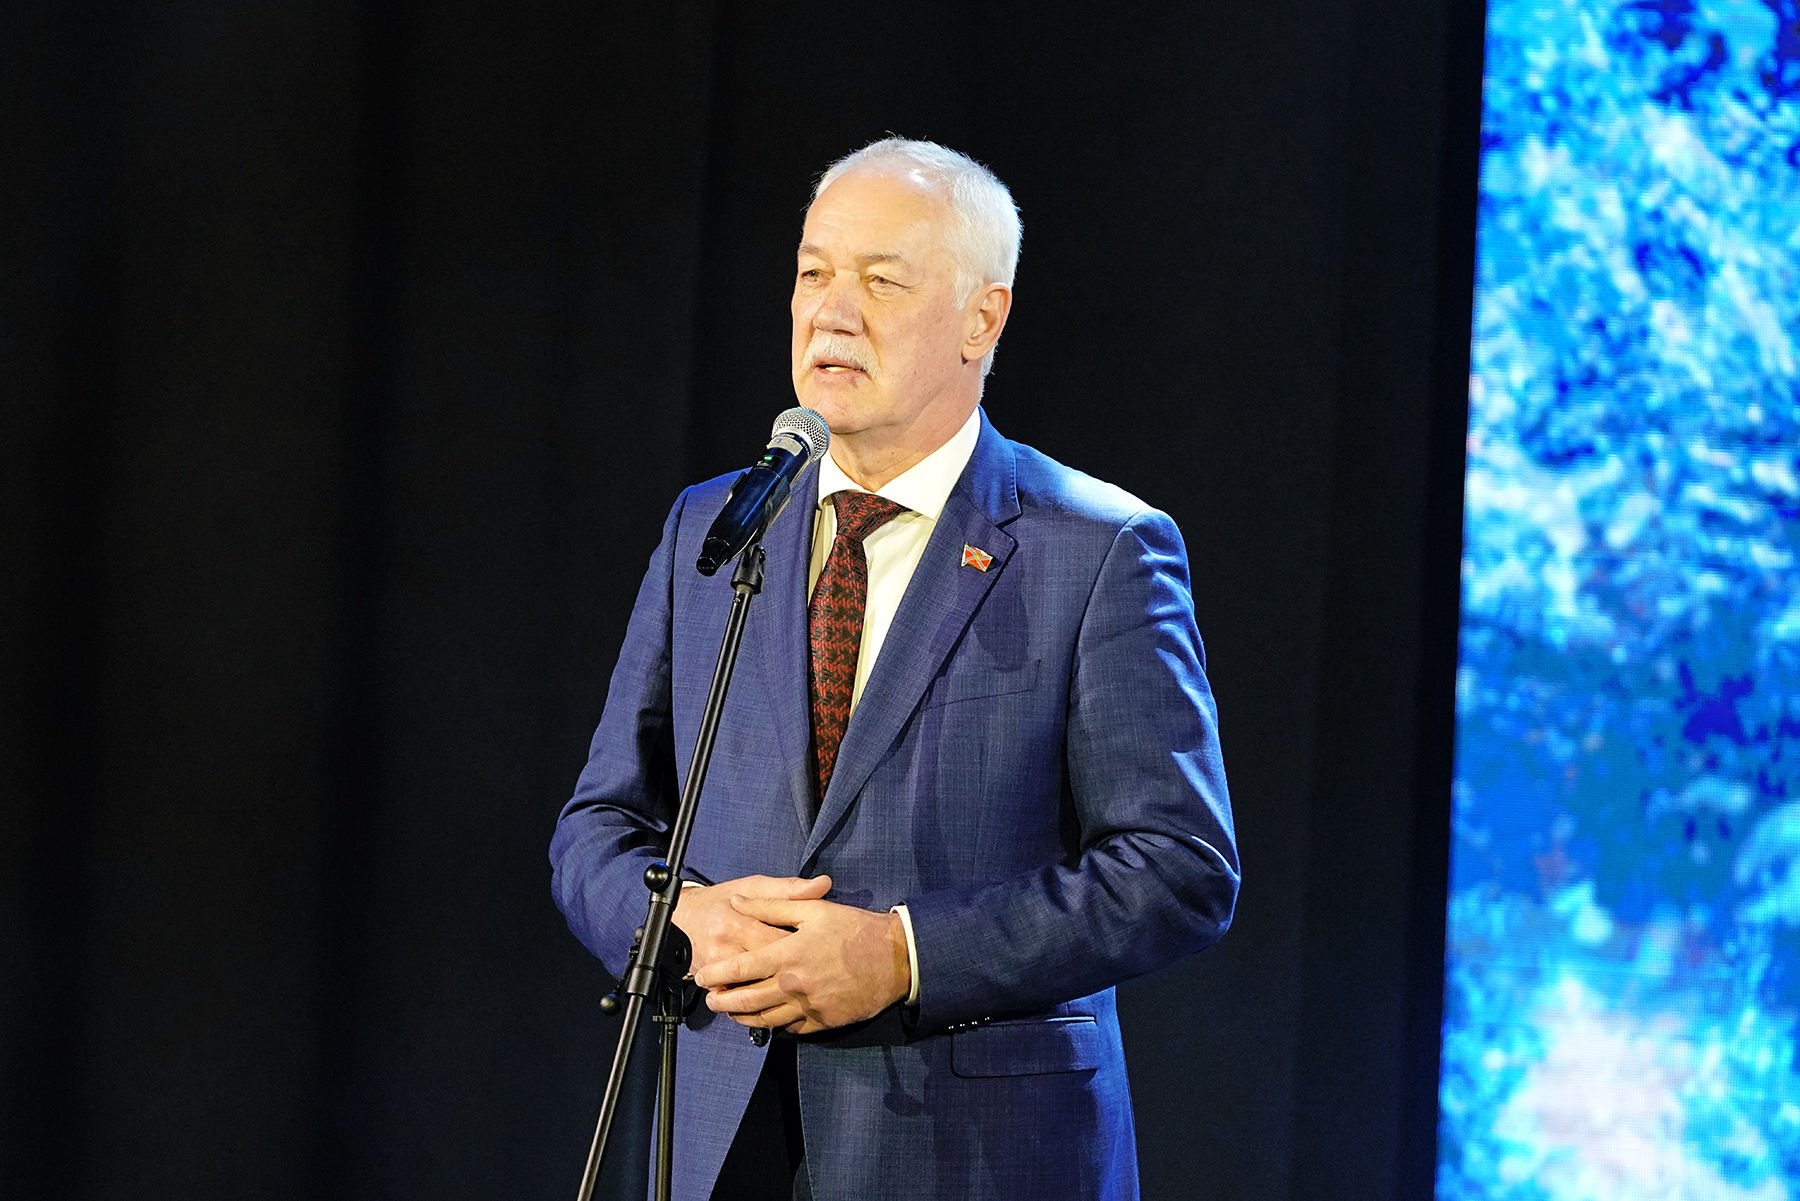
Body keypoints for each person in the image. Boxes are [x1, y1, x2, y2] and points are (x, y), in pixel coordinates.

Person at [550, 138, 1238, 1201]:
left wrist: (905, 955)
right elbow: (599, 824)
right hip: (721, 1132)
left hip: (976, 1153)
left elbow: (1177, 867)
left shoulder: (1098, 549)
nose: (831, 312)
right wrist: (680, 921)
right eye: (813, 272)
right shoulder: (717, 525)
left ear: (982, 320)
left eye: (881, 281)